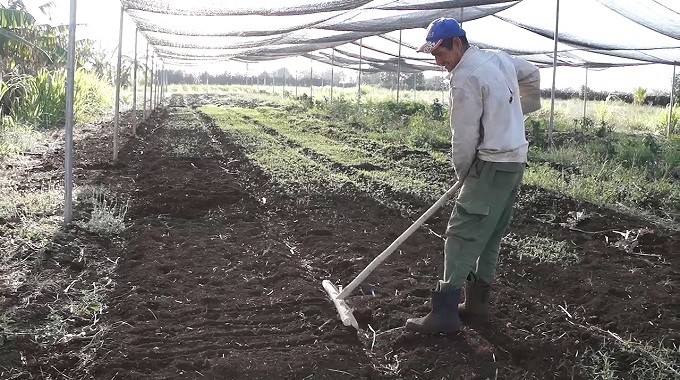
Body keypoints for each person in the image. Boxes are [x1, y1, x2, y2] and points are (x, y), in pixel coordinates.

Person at [405, 17, 541, 334]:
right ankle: (477, 306)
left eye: (440, 53)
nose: (439, 62)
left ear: (457, 43)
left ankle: (444, 316)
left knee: (462, 233)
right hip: (515, 161)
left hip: (490, 163)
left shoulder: (464, 77)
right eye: (433, 55)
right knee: (490, 232)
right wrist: (518, 111)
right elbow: (532, 74)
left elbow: (463, 138)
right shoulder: (498, 58)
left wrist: (464, 175)